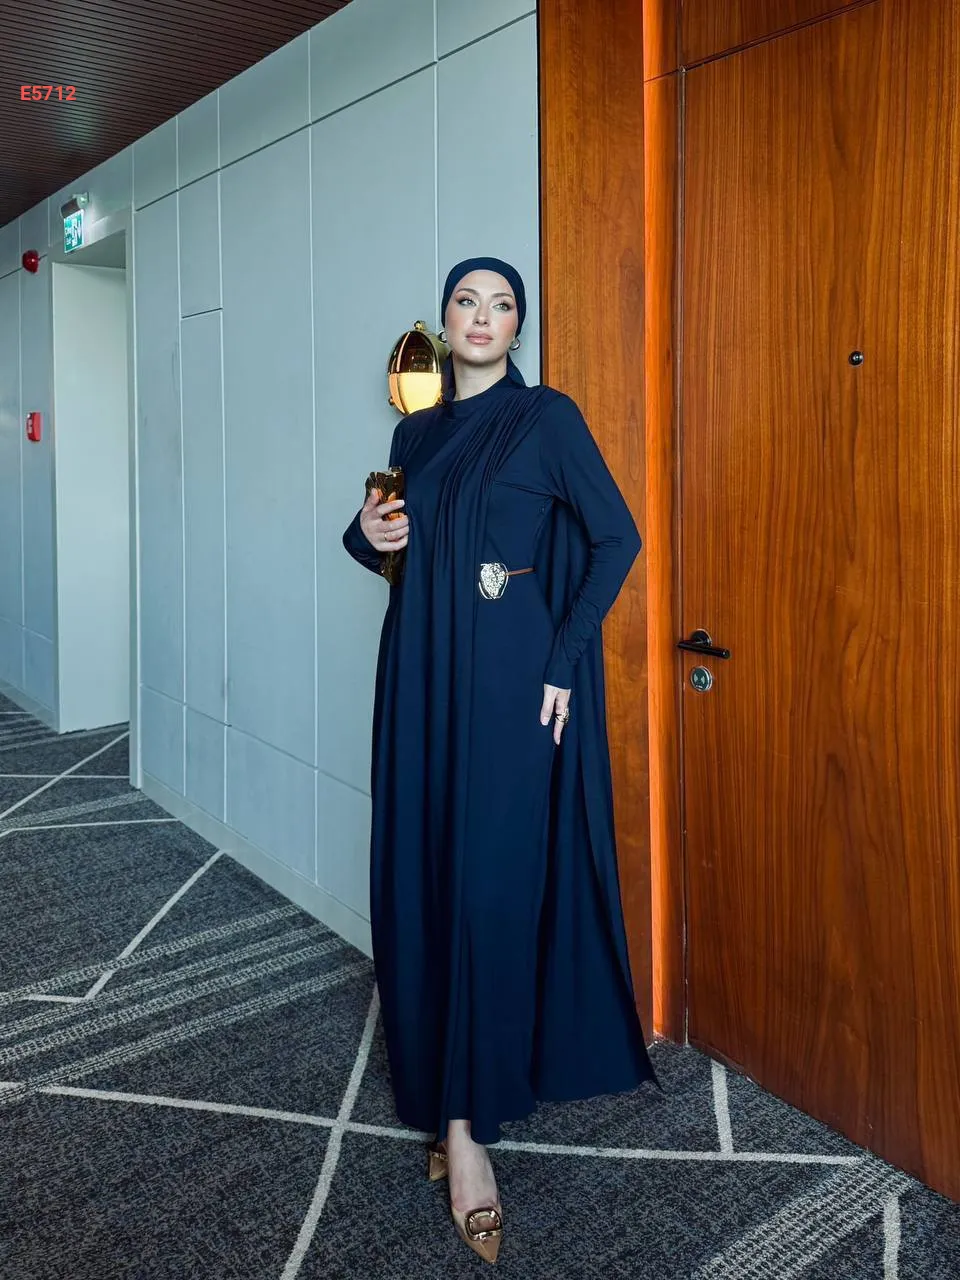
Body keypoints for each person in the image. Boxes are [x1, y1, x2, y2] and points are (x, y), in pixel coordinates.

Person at [342, 257, 656, 1263]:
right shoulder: (414, 432)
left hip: (510, 683)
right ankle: (444, 1094)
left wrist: (563, 661)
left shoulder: (545, 417)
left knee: (485, 889)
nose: (483, 317)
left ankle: (467, 1131)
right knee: (422, 877)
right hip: (418, 674)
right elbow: (398, 555)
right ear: (446, 320)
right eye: (467, 302)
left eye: (503, 304)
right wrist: (365, 534)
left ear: (519, 325)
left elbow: (616, 538)